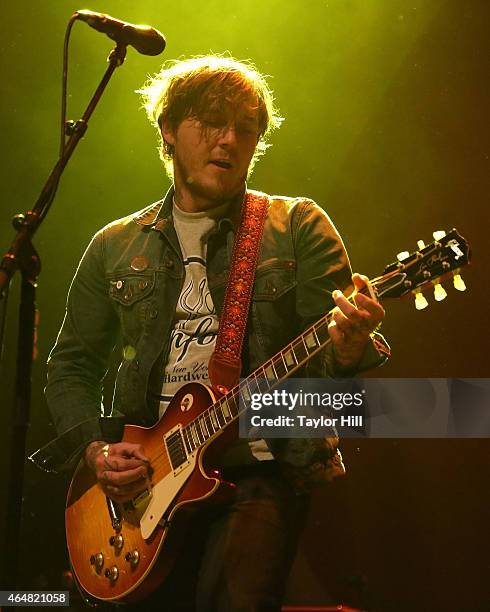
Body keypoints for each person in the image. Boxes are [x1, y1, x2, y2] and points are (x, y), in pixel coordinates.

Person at [33, 55, 389, 611]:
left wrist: (348, 348)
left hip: (257, 467)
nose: (229, 140)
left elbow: (335, 390)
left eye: (245, 129)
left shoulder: (296, 227)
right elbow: (71, 365)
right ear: (169, 129)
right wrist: (95, 451)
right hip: (139, 484)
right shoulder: (114, 245)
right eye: (212, 122)